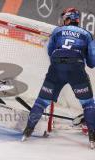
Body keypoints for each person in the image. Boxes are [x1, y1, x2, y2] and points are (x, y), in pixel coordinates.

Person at [22, 8, 95, 147]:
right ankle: (93, 137)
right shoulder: (87, 34)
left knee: (41, 102)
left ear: (67, 18)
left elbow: (50, 51)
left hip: (56, 69)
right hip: (76, 69)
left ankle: (28, 130)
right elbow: (92, 62)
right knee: (88, 104)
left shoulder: (57, 30)